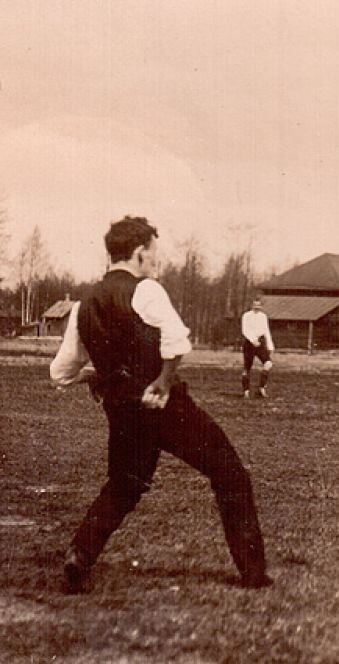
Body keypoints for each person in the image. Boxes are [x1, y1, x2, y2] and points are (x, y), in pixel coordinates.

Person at [50, 216, 271, 593]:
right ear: (139, 254)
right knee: (230, 473)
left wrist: (100, 376)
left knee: (124, 485)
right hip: (164, 406)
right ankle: (253, 573)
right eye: (154, 254)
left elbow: (61, 372)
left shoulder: (84, 304)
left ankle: (80, 555)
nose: (156, 262)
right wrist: (164, 382)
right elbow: (177, 343)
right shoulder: (147, 290)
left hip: (122, 410)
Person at [241, 297, 275, 398]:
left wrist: (270, 345)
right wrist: (252, 340)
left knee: (268, 364)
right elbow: (244, 330)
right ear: (252, 306)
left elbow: (266, 330)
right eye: (255, 305)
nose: (257, 307)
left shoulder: (263, 316)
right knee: (247, 368)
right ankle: (246, 391)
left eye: (258, 305)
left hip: (260, 343)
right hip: (249, 344)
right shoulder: (246, 316)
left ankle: (261, 388)